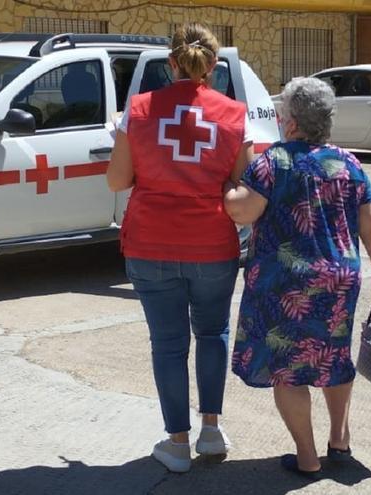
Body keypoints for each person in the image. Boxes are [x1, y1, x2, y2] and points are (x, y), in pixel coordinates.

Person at [224, 77, 371, 478]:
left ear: (293, 121)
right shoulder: (348, 164)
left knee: (288, 367)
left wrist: (229, 190)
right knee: (333, 357)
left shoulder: (273, 162)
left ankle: (307, 457)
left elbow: (242, 212)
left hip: (286, 284)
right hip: (339, 279)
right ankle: (340, 440)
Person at [107, 23, 254, 473]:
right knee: (212, 335)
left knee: (168, 345)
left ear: (170, 62)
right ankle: (210, 430)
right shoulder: (233, 114)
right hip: (212, 244)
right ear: (214, 65)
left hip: (150, 244)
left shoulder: (139, 109)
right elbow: (243, 185)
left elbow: (117, 180)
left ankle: (176, 444)